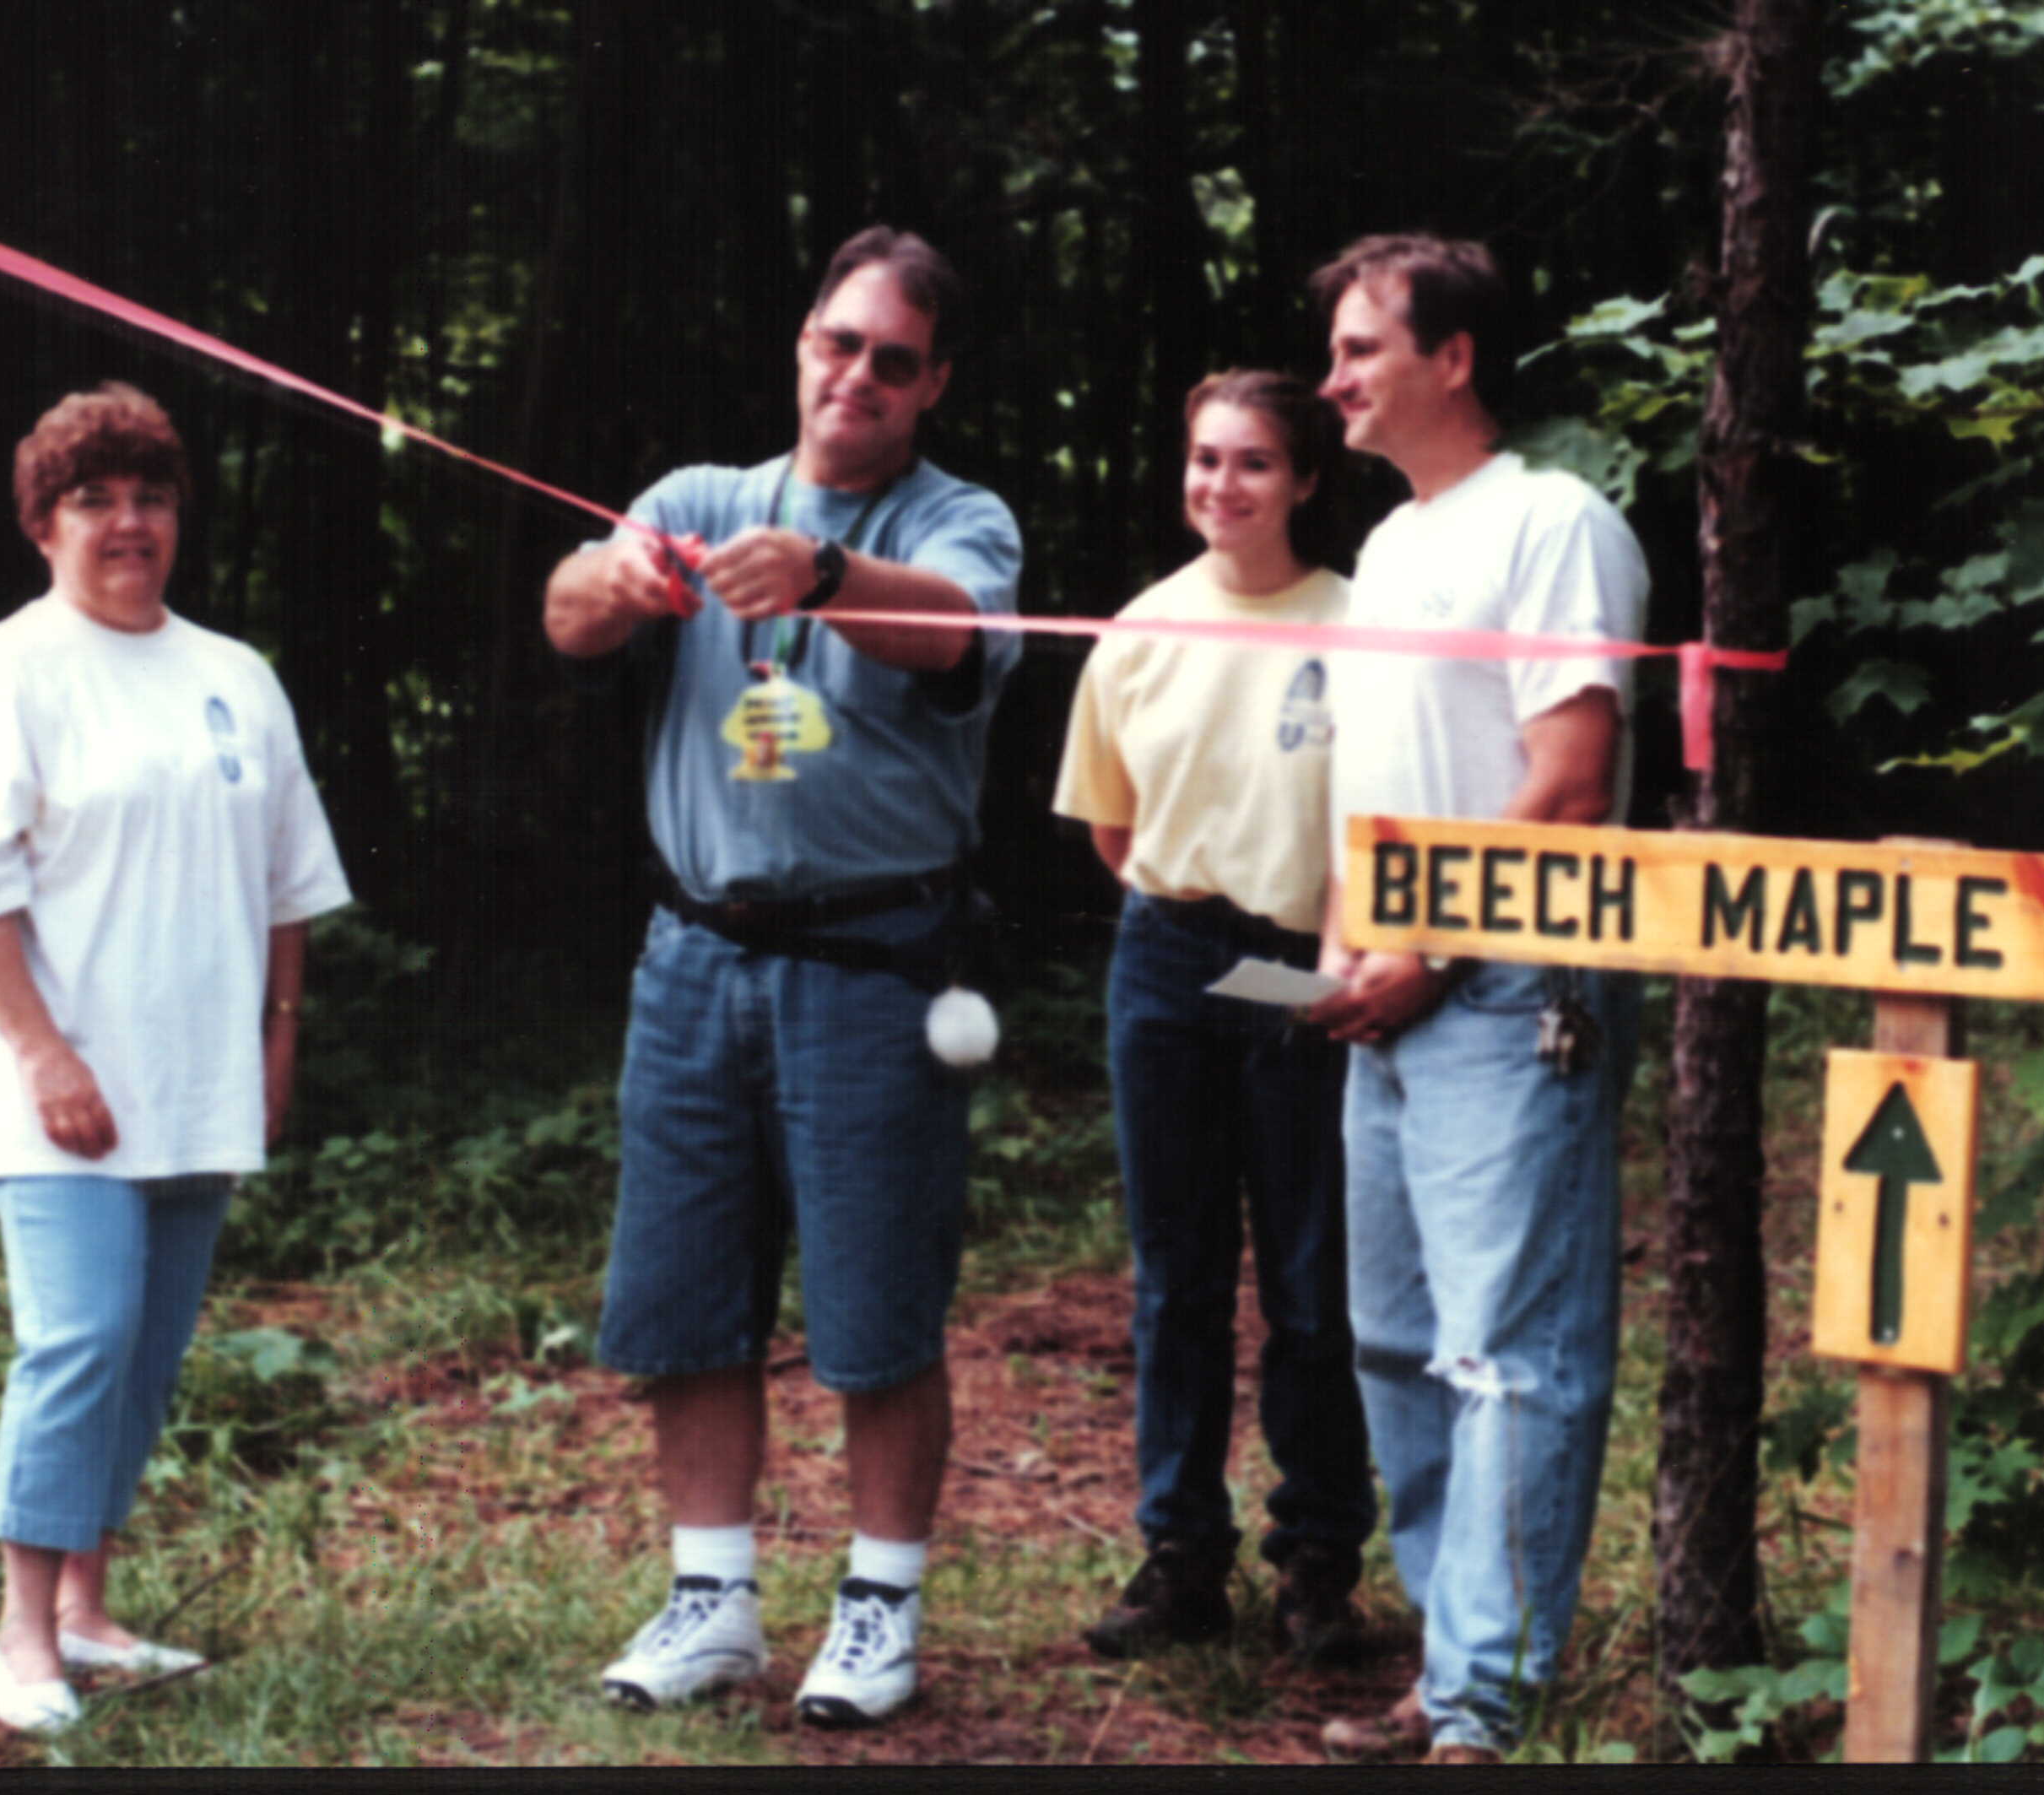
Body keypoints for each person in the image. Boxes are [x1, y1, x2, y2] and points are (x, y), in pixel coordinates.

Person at [541, 226, 1022, 1728]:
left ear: (932, 381)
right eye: (837, 344)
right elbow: (565, 612)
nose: (857, 377)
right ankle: (712, 1600)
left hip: (873, 970)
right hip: (693, 957)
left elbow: (953, 636)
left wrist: (824, 570)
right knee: (683, 1302)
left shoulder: (962, 521)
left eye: (892, 359)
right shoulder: (697, 498)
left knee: (877, 1312)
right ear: (800, 345)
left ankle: (878, 1609)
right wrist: (619, 579)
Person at [0, 383, 354, 1736]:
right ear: (44, 523)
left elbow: (284, 889)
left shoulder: (233, 678)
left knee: (146, 1358)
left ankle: (90, 1611)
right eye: (95, 500)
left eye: (149, 497)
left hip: (197, 1081)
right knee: (79, 1341)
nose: (127, 522)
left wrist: (276, 1040)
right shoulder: (0, 671)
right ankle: (21, 1634)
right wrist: (43, 1058)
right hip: (56, 1098)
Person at [1300, 234, 1650, 1765]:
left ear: (1453, 357)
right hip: (1386, 994)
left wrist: (1430, 952)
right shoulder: (1385, 546)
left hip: (1512, 992)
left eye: (1362, 347)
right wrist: (1338, 945)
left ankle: (1485, 1706)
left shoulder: (1556, 521)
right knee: (1391, 1344)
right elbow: (1379, 788)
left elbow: (1565, 785)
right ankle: (1453, 1668)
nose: (1333, 380)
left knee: (1509, 1351)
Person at [1051, 370, 1376, 1663]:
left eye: (1251, 463)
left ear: (1302, 480)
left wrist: (1312, 959)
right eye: (1203, 460)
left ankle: (1317, 1565)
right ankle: (1182, 1556)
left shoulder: (1362, 623)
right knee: (1177, 1278)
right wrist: (1194, 935)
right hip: (1170, 961)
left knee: (1311, 1283)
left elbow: (1380, 817)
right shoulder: (1140, 626)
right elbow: (1114, 828)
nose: (1220, 487)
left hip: (1304, 971)